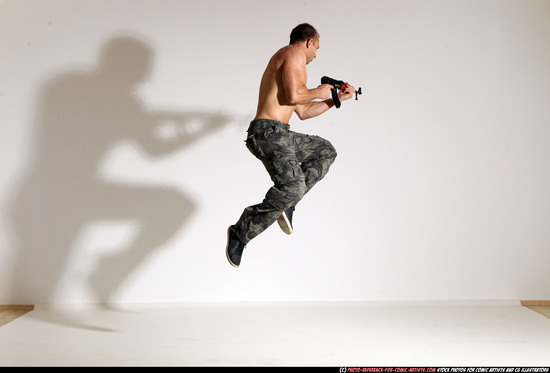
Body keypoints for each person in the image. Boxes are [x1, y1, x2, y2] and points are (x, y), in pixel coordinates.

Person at [226, 23, 356, 268]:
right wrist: (318, 90)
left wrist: (334, 99)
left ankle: (289, 203)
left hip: (282, 133)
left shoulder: (293, 67)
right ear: (309, 41)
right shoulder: (292, 54)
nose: (315, 55)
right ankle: (240, 232)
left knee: (325, 151)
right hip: (267, 132)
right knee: (293, 185)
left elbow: (304, 112)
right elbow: (295, 96)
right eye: (316, 47)